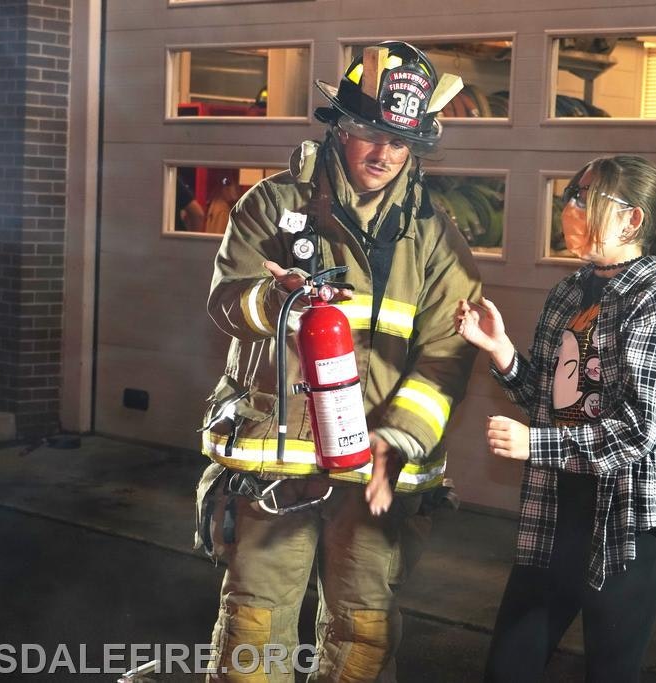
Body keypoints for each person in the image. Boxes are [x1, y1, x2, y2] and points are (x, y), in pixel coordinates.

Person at [195, 41, 481, 682]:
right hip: (278, 461)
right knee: (256, 627)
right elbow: (225, 306)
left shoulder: (435, 234)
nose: (383, 155)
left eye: (400, 142)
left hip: (376, 472)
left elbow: (448, 353)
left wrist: (400, 434)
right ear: (339, 130)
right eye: (369, 135)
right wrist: (273, 299)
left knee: (363, 635)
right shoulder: (271, 206)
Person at [455, 155, 656, 682]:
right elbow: (548, 403)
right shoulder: (569, 292)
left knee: (611, 673)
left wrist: (534, 445)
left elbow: (640, 431)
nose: (569, 208)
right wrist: (500, 352)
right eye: (571, 195)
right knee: (509, 666)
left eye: (583, 198)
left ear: (631, 220)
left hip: (629, 521)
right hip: (558, 512)